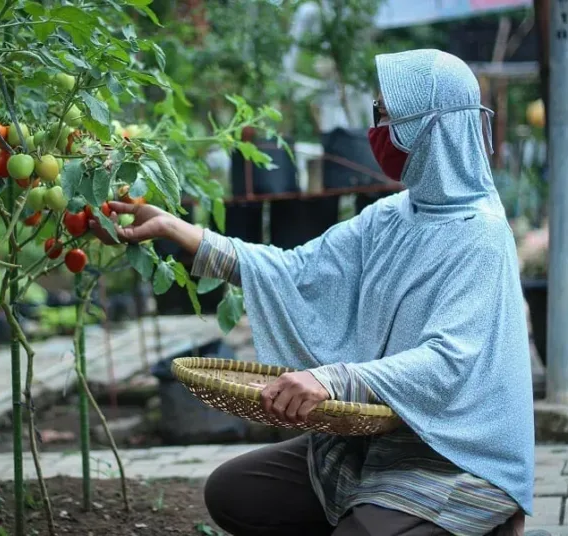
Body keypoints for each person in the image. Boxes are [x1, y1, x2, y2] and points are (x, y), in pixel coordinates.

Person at [90, 49, 534, 536]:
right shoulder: (388, 218)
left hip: (456, 452)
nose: (376, 131)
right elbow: (296, 270)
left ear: (429, 127)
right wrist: (177, 230)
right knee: (232, 494)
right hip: (374, 438)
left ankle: (485, 521)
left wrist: (333, 379)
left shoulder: (480, 236)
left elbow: (451, 360)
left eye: (386, 116)